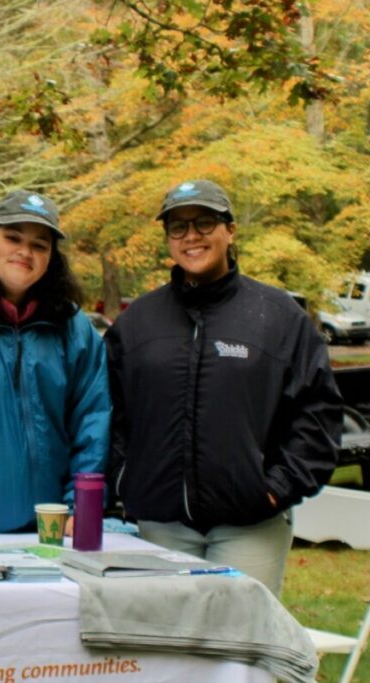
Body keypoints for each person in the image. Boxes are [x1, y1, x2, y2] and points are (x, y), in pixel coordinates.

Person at [105, 179, 342, 595]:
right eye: (178, 226)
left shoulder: (278, 317)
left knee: (239, 633)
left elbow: (318, 414)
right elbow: (110, 412)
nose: (191, 236)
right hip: (161, 525)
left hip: (250, 526)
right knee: (168, 631)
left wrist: (276, 489)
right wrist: (125, 478)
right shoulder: (137, 323)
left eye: (204, 222)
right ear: (168, 239)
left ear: (230, 230)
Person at [0, 189, 110, 539]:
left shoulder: (72, 326)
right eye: (13, 238)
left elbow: (93, 420)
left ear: (51, 258)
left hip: (56, 529)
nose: (25, 252)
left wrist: (80, 506)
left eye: (39, 245)